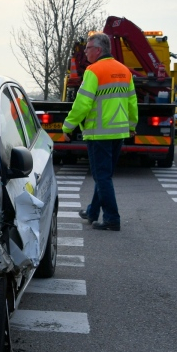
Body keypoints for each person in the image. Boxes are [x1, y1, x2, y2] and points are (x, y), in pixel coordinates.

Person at [61, 33, 138, 231]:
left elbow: (83, 103)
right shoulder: (124, 71)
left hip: (99, 133)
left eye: (88, 48)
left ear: (98, 50)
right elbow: (132, 102)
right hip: (118, 132)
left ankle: (112, 219)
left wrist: (68, 126)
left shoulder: (93, 71)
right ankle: (92, 212)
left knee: (102, 177)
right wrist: (131, 125)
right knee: (104, 175)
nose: (85, 51)